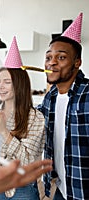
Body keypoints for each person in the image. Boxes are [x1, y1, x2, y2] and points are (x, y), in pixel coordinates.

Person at [0, 37, 45, 199]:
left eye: (7, 82)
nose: (0, 86)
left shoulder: (35, 118)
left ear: (19, 85)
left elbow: (28, 160)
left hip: (23, 187)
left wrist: (4, 131)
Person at [37, 12, 89, 199]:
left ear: (77, 63)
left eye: (61, 58)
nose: (51, 62)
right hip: (61, 187)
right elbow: (36, 124)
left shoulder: (87, 94)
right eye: (49, 57)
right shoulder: (50, 96)